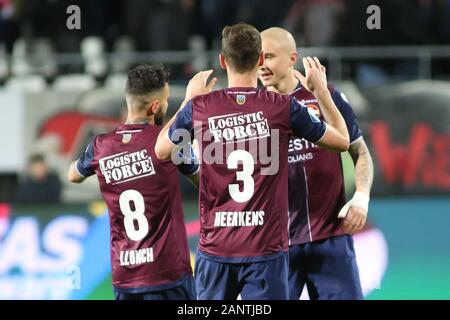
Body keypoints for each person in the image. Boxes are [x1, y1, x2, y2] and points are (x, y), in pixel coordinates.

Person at [155, 23, 350, 300]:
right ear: (259, 60)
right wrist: (321, 93)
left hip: (215, 251)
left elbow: (162, 150)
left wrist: (188, 100)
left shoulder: (201, 107)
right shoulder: (282, 107)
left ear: (223, 61)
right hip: (265, 252)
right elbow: (342, 141)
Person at [259, 27, 374, 300]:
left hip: (331, 238)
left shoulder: (327, 97)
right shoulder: (251, 110)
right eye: (258, 58)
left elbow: (361, 153)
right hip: (277, 246)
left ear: (292, 58)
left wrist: (361, 197)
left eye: (270, 57)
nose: (262, 65)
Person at [67, 64, 199, 300]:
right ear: (155, 106)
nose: (167, 104)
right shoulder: (167, 145)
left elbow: (73, 175)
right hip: (167, 274)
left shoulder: (100, 146)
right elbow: (202, 182)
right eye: (166, 99)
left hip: (125, 276)